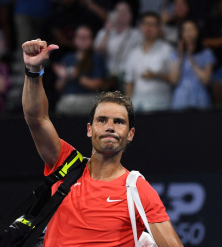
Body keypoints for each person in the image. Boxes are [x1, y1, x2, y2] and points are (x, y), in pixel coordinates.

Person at [22, 38, 183, 246]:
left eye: (118, 122)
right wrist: (33, 71)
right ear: (89, 129)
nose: (110, 126)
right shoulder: (65, 164)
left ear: (130, 134)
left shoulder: (137, 190)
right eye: (102, 120)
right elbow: (37, 119)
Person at [124, 12, 174, 112]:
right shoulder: (133, 53)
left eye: (152, 25)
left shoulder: (167, 49)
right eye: (146, 24)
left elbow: (174, 78)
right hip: (138, 104)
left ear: (159, 28)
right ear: (141, 27)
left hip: (160, 104)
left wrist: (157, 75)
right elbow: (129, 81)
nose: (148, 28)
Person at [54, 25, 107, 115]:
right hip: (69, 97)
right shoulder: (67, 58)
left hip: (88, 97)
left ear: (91, 40)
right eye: (80, 37)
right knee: (62, 104)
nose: (82, 40)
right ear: (75, 39)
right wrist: (64, 77)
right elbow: (58, 87)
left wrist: (77, 76)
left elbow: (98, 84)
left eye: (86, 37)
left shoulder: (96, 58)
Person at [94, 1, 142, 91]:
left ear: (131, 15)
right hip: (108, 76)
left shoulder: (137, 34)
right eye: (119, 12)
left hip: (127, 75)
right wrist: (107, 31)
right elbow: (99, 51)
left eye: (125, 12)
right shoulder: (104, 32)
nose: (122, 15)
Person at [170, 20, 215, 110]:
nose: (187, 32)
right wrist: (181, 56)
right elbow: (173, 80)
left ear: (197, 31)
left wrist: (190, 58)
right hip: (181, 98)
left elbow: (206, 80)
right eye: (184, 30)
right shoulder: (176, 54)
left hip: (200, 97)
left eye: (190, 29)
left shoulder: (206, 53)